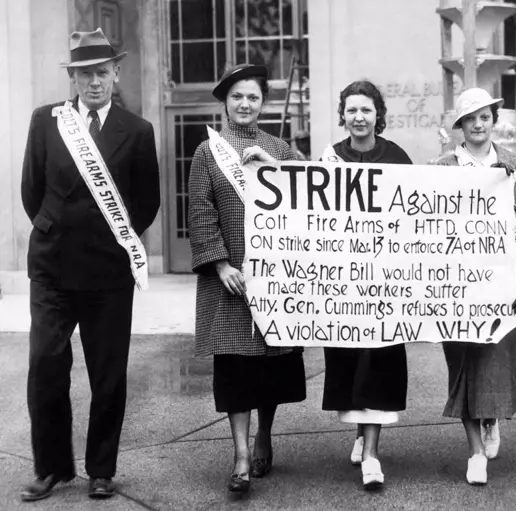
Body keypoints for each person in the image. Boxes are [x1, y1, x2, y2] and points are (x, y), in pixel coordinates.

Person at [19, 28, 160, 501]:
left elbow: (146, 203)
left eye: (102, 73)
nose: (94, 82)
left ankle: (101, 468)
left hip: (107, 273)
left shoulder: (137, 131)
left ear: (116, 73)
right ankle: (52, 466)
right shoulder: (46, 121)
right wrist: (56, 227)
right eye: (84, 75)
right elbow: (31, 191)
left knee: (108, 372)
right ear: (73, 78)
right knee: (45, 364)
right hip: (53, 267)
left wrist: (113, 242)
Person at [188, 63, 306, 495]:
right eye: (237, 96)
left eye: (253, 97)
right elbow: (201, 212)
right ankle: (239, 455)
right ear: (225, 101)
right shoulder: (207, 152)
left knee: (272, 367)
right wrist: (220, 265)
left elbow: (307, 200)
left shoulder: (282, 149)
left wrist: (275, 165)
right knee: (236, 370)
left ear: (262, 103)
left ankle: (264, 436)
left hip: (275, 278)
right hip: (230, 281)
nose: (245, 104)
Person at [436, 88, 516, 485]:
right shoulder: (443, 166)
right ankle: (474, 451)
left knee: (497, 361)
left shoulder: (512, 165)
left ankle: (491, 417)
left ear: (493, 120)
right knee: (465, 362)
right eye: (470, 119)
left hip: (503, 284)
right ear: (459, 125)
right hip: (459, 286)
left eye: (485, 117)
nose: (478, 125)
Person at [321, 80, 412, 491]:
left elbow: (417, 213)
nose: (359, 117)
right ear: (343, 115)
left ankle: (372, 454)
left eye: (367, 110)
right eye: (352, 110)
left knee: (379, 362)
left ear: (379, 115)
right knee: (351, 365)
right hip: (345, 283)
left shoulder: (397, 158)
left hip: (386, 281)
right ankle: (360, 433)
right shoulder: (330, 158)